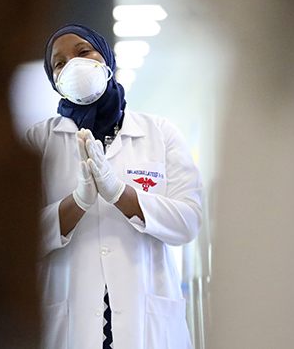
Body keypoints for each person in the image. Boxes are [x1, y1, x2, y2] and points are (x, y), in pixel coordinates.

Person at [23, 23, 204, 349]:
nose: (73, 65)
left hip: (147, 325)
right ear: (53, 80)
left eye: (83, 52)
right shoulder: (38, 141)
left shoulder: (159, 133)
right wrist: (77, 203)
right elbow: (15, 235)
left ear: (105, 59)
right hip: (69, 324)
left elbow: (188, 222)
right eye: (59, 63)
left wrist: (121, 194)